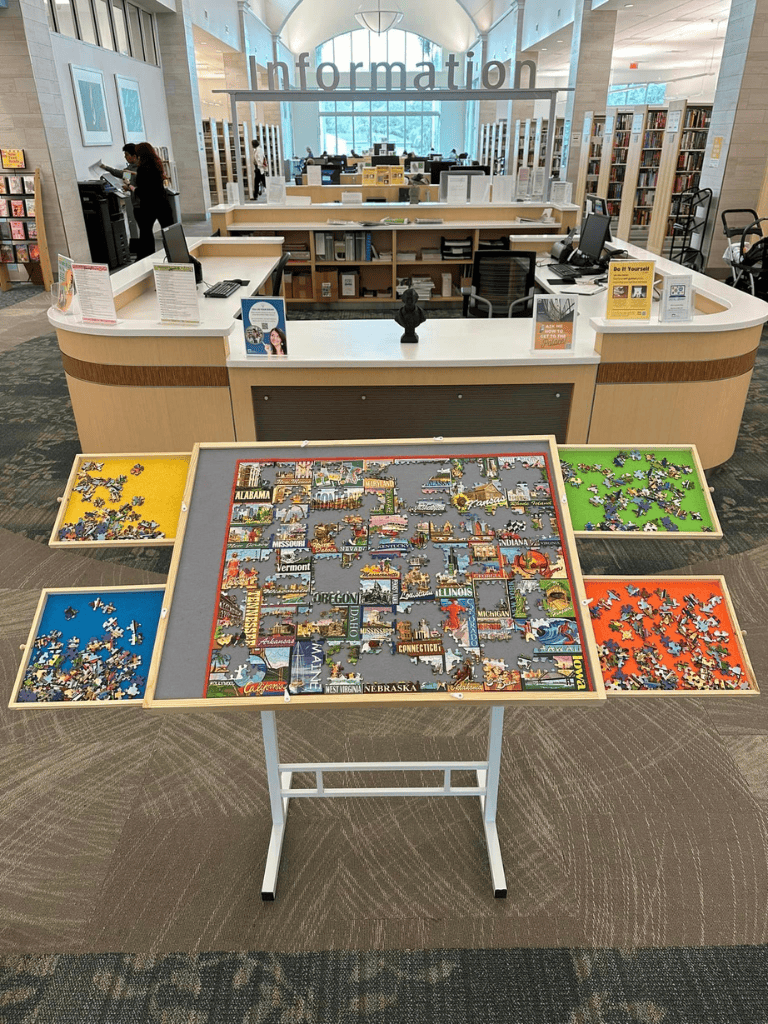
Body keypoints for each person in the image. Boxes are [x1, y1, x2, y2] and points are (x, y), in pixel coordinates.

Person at [130, 142, 174, 261]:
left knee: (145, 234)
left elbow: (144, 191)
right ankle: (175, 255)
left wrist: (132, 188)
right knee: (169, 231)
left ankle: (145, 260)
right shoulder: (157, 165)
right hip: (162, 202)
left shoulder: (143, 168)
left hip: (149, 205)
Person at [100, 145, 140, 244]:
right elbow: (122, 174)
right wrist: (106, 168)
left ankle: (144, 251)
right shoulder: (130, 168)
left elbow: (139, 188)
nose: (125, 157)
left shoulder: (140, 169)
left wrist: (129, 186)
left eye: (126, 155)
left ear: (134, 156)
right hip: (135, 202)